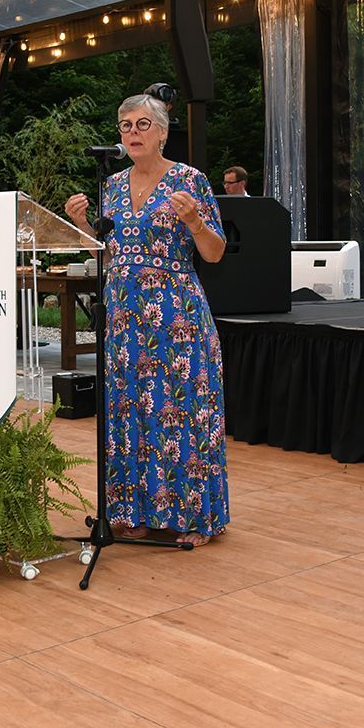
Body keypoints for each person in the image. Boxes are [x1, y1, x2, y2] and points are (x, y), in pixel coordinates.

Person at [63, 92, 230, 547]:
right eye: (125, 126)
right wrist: (81, 225)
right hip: (123, 317)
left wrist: (195, 221)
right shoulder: (112, 186)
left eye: (141, 125)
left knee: (183, 412)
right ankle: (135, 512)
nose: (132, 134)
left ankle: (196, 520)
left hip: (176, 314)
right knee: (131, 410)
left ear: (162, 132)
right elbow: (107, 248)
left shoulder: (189, 180)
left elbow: (214, 253)